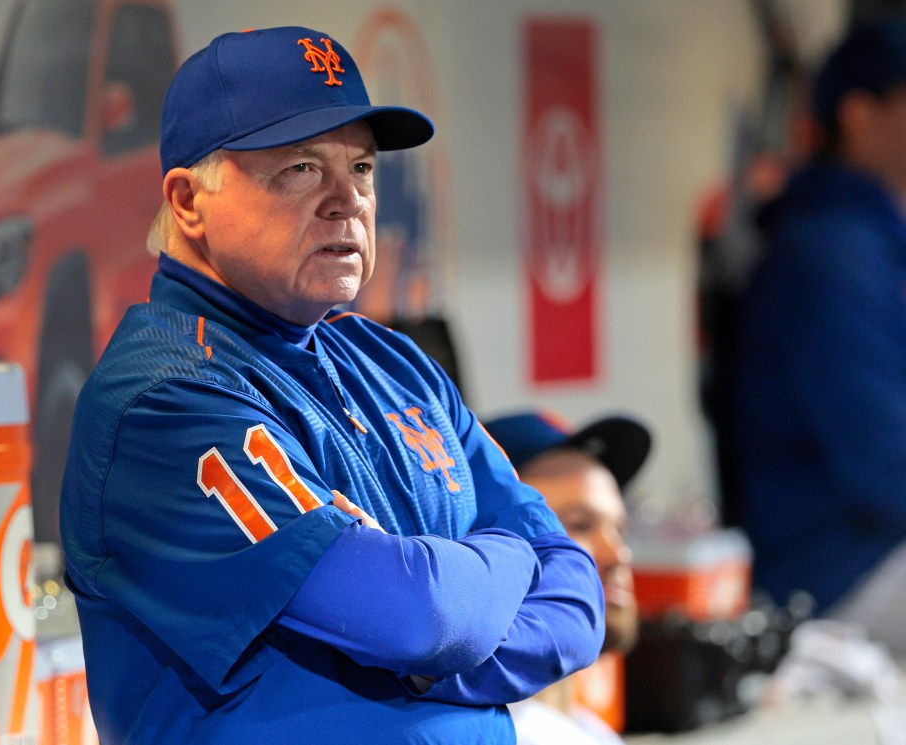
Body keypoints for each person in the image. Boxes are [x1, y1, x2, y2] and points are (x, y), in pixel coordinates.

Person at [59, 26, 605, 744]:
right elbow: (417, 615)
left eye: (365, 169)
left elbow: (577, 595)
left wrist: (436, 659)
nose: (347, 199)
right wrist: (503, 560)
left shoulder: (397, 364)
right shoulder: (162, 397)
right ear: (188, 201)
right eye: (301, 169)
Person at [727, 17, 906, 653]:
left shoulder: (871, 237)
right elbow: (887, 466)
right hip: (831, 573)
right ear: (860, 114)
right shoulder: (831, 251)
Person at [484, 411, 651, 745]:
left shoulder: (587, 731)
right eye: (578, 526)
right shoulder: (499, 734)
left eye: (619, 529)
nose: (618, 555)